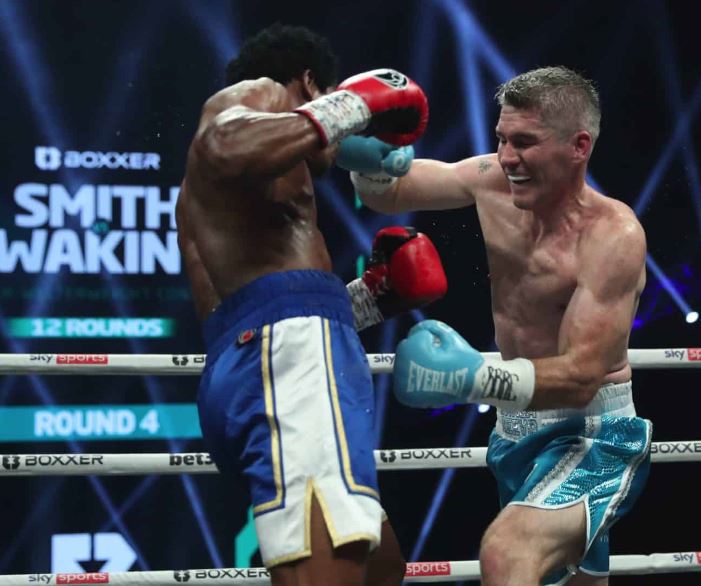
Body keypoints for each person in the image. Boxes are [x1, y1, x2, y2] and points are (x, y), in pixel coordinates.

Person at [339, 66, 652, 585]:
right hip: (514, 430)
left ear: (579, 146)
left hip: (592, 435)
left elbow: (582, 376)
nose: (507, 157)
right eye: (503, 138)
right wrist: (368, 157)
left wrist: (474, 379)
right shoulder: (490, 180)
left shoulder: (612, 236)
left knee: (507, 552)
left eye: (524, 143)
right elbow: (388, 194)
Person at [175, 23, 447, 586]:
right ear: (307, 82)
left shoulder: (227, 197)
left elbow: (259, 305)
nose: (343, 141)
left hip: (253, 362)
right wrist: (353, 104)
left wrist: (369, 300)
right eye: (328, 100)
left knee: (380, 567)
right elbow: (224, 145)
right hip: (287, 363)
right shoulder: (259, 94)